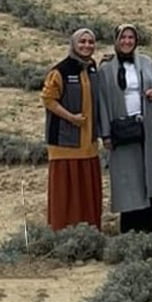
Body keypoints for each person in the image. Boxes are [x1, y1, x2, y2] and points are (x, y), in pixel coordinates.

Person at [97, 24, 152, 233]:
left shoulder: (146, 62)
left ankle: (150, 226)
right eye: (123, 37)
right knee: (127, 178)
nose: (127, 41)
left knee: (147, 173)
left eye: (131, 37)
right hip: (120, 129)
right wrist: (105, 133)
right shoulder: (106, 68)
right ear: (116, 40)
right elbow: (102, 102)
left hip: (146, 126)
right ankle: (130, 228)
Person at [41, 28, 104, 231]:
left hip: (88, 142)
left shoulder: (92, 67)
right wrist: (71, 118)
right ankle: (64, 230)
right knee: (66, 190)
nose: (87, 46)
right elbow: (48, 99)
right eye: (82, 42)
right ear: (74, 44)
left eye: (90, 42)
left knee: (87, 188)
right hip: (64, 141)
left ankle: (90, 229)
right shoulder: (60, 71)